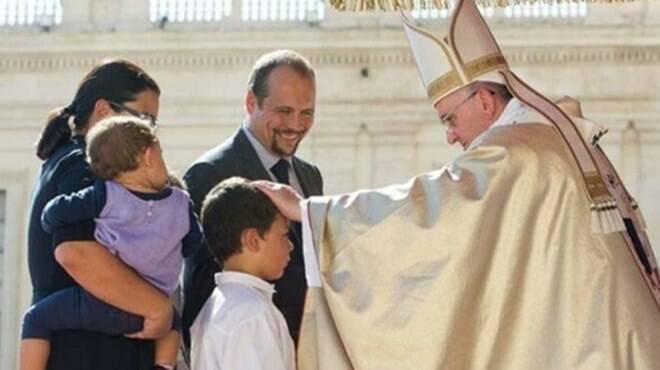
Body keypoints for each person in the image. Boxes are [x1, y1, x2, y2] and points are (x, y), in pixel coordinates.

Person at [255, 1, 660, 369]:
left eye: (449, 118)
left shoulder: (514, 153)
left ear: (485, 101)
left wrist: (312, 212)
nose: (450, 136)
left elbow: (430, 207)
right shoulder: (548, 136)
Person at [19, 117, 202, 370]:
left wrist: (52, 221)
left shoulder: (106, 195)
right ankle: (163, 365)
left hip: (101, 303)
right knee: (173, 323)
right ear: (149, 156)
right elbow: (193, 243)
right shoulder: (181, 203)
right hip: (154, 308)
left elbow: (53, 214)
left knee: (36, 318)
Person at [25, 59, 172, 370]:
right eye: (143, 118)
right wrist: (157, 308)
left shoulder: (67, 161)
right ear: (103, 111)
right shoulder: (82, 164)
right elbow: (75, 251)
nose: (148, 134)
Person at [182, 49, 323, 348]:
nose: (296, 125)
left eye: (306, 113)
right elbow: (200, 287)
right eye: (284, 111)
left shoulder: (311, 177)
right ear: (251, 102)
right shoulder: (209, 173)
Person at [190, 177, 295, 370]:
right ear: (253, 240)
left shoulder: (222, 303)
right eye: (284, 235)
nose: (290, 245)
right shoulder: (252, 314)